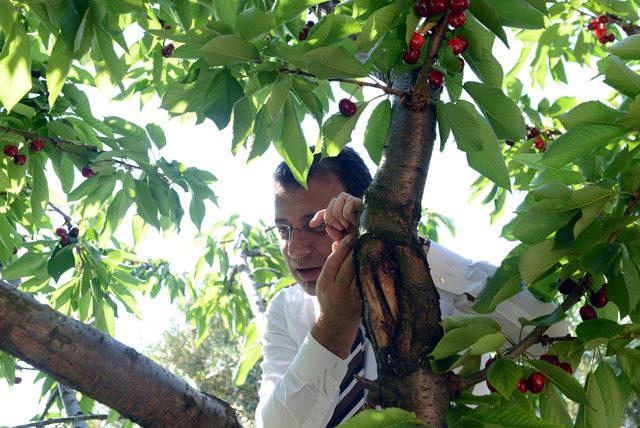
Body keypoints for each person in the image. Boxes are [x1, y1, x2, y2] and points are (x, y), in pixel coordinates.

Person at [255, 147, 567, 428]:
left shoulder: (437, 288)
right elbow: (276, 425)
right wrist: (332, 329)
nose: (295, 250)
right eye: (283, 229)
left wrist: (398, 242)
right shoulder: (287, 310)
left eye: (318, 224)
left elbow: (551, 337)